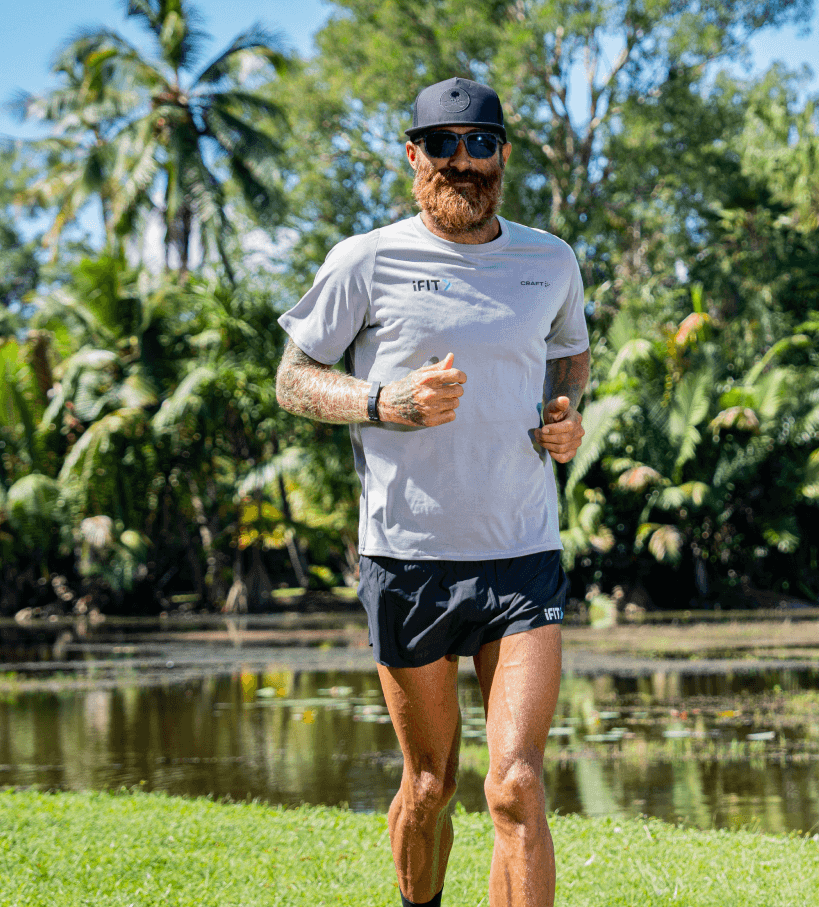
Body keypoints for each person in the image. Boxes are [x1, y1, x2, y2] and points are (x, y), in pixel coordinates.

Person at [274, 76, 589, 907]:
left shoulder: (549, 259)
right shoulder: (365, 259)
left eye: (478, 143)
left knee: (516, 784)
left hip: (522, 550)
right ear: (412, 154)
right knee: (429, 784)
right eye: (442, 144)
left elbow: (570, 350)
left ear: (503, 155)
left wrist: (566, 413)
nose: (461, 160)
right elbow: (294, 380)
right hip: (406, 557)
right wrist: (386, 402)